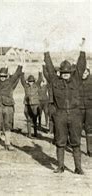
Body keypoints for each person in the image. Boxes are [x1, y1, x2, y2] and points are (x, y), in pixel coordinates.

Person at [43, 38, 86, 174]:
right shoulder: (55, 81)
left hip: (75, 114)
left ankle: (78, 167)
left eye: (68, 73)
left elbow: (81, 66)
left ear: (71, 73)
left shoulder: (76, 80)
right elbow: (49, 69)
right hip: (60, 114)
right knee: (60, 141)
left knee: (75, 142)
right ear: (60, 73)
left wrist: (82, 50)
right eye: (63, 73)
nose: (66, 75)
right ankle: (60, 166)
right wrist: (46, 51)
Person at [20, 71, 43, 138]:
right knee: (28, 120)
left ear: (34, 81)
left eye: (32, 81)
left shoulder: (37, 85)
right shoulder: (25, 86)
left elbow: (40, 79)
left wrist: (40, 72)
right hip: (27, 105)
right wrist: (22, 72)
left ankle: (35, 133)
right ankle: (29, 134)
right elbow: (22, 80)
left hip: (35, 105)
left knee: (35, 120)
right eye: (30, 81)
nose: (31, 83)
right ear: (28, 81)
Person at [80, 68, 92, 157]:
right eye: (82, 73)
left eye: (85, 73)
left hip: (89, 108)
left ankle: (89, 150)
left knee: (89, 129)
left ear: (88, 73)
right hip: (79, 108)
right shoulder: (77, 81)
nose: (83, 74)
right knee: (77, 128)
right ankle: (76, 148)